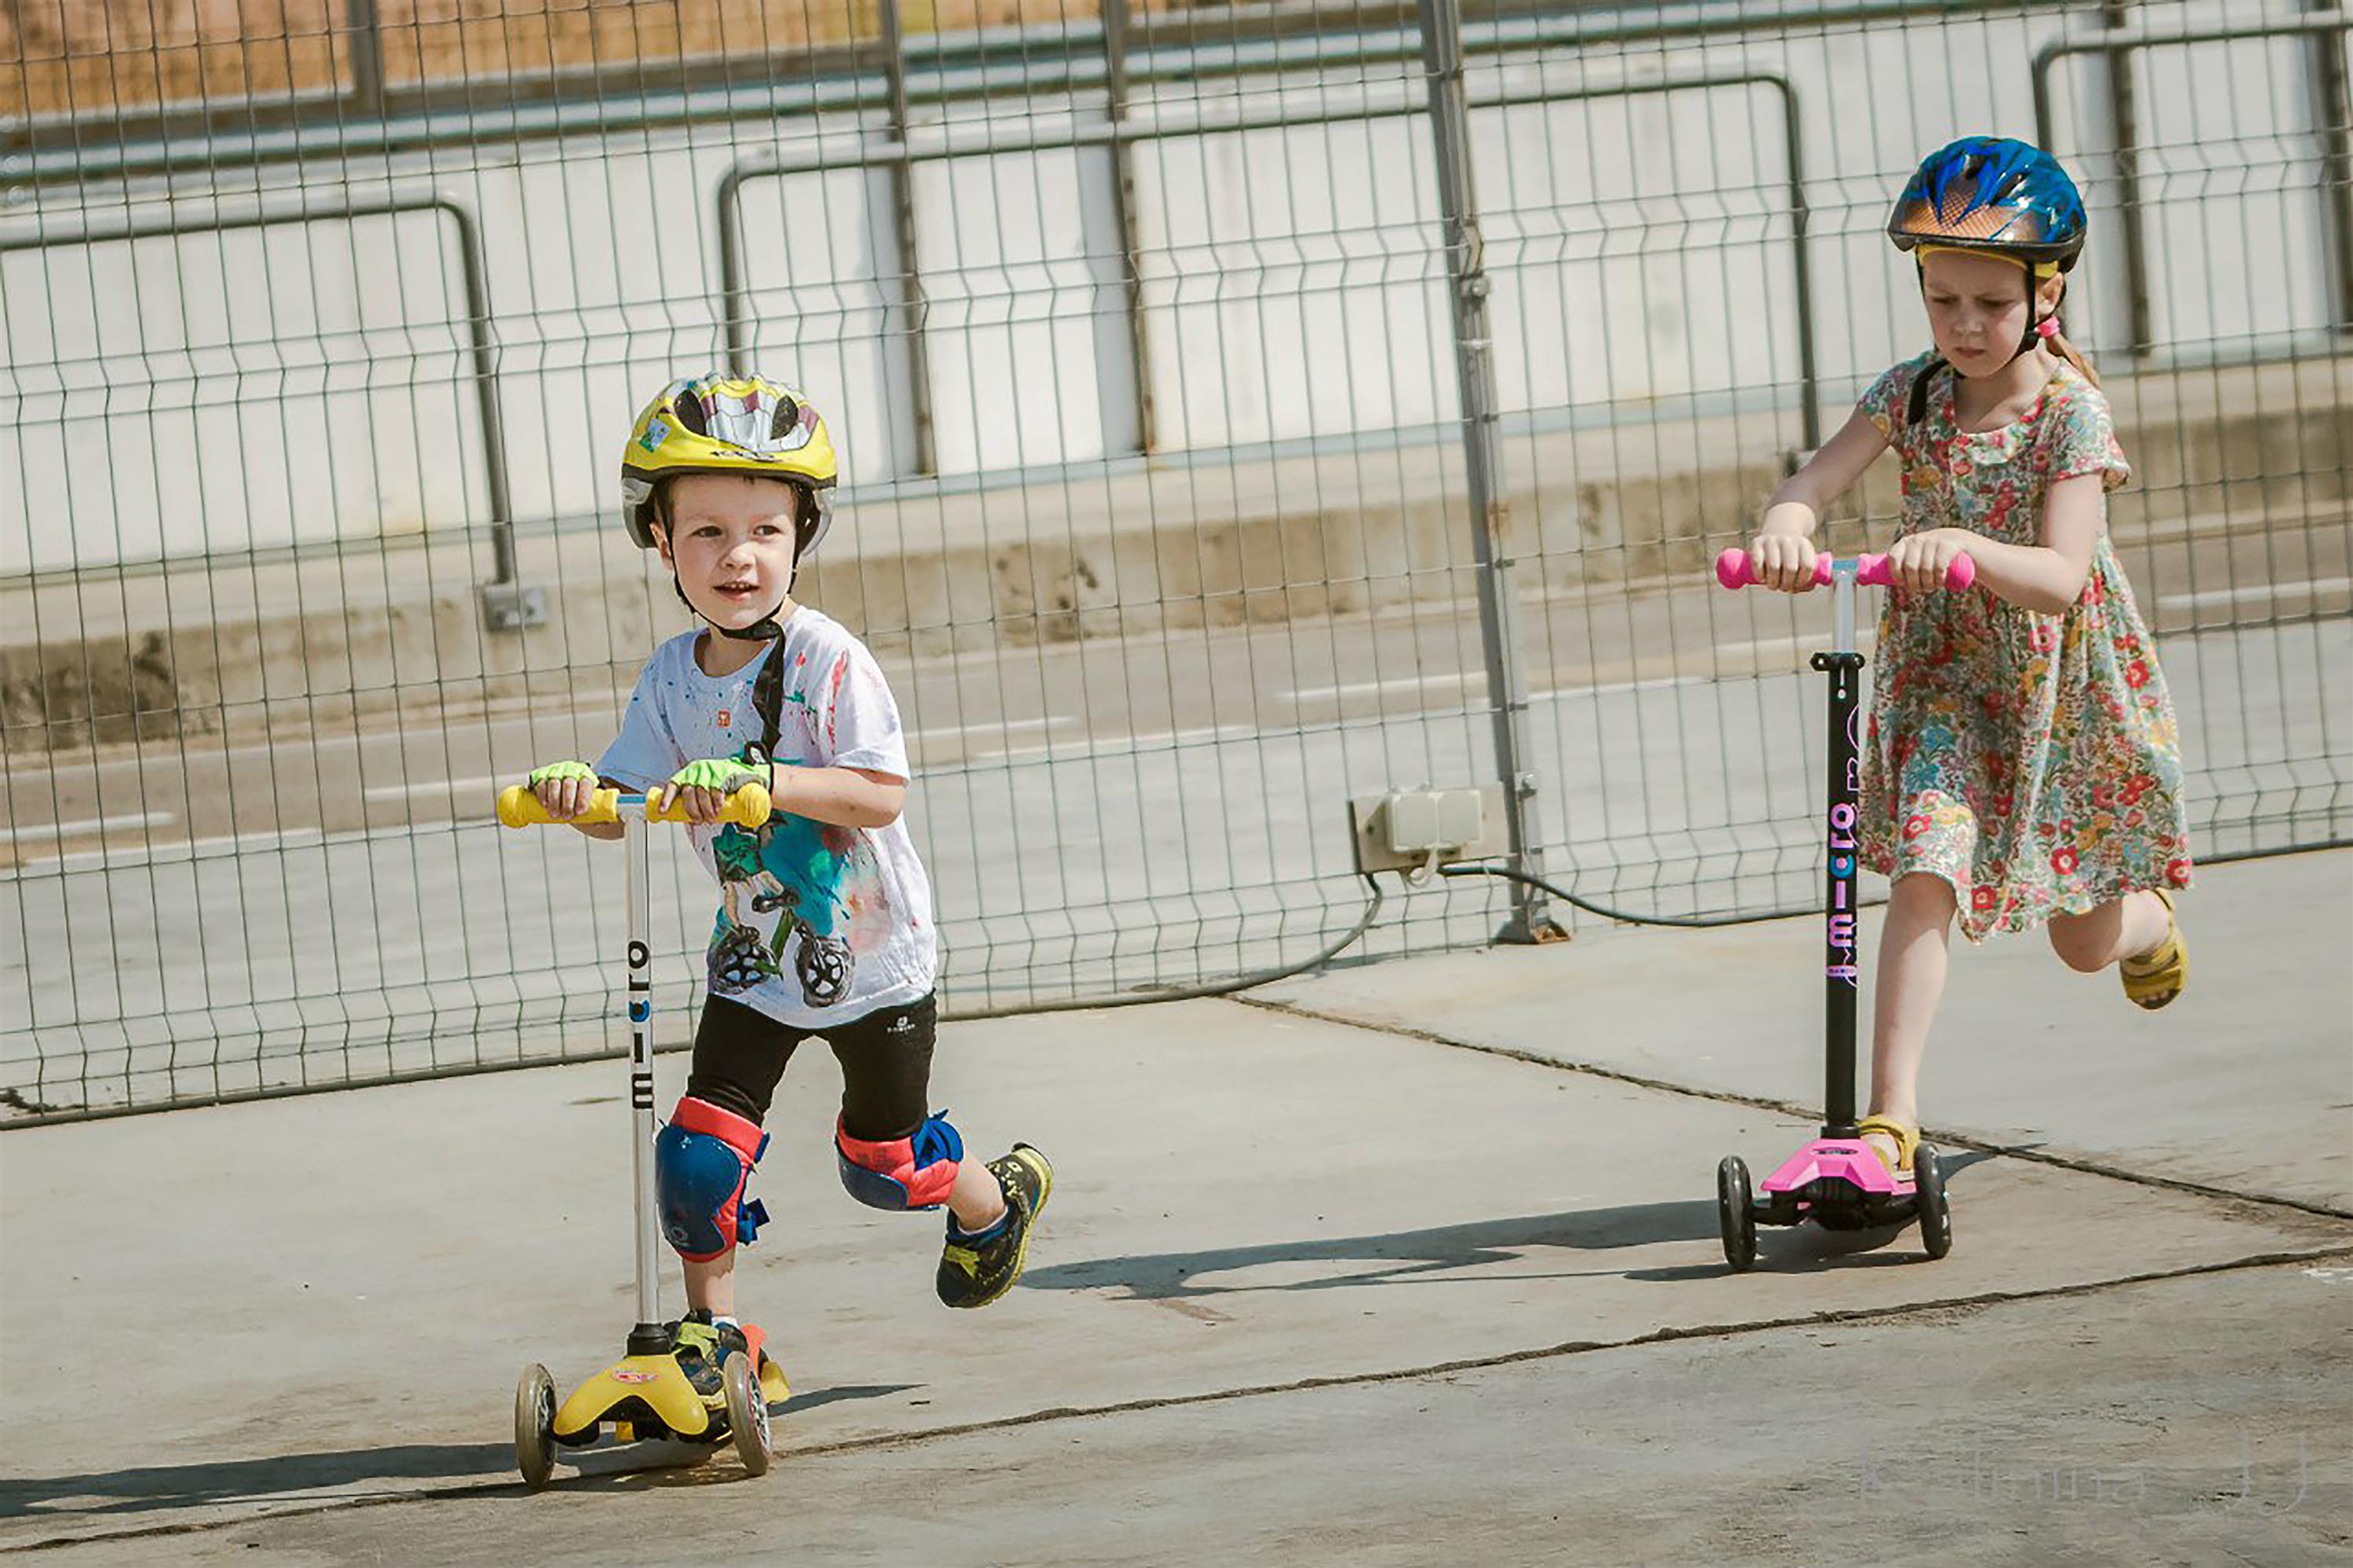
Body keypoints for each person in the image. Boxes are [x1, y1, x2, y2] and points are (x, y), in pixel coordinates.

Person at [526, 374, 1052, 1398]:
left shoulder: (827, 660)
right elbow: (623, 798)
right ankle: (712, 1338)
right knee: (696, 1161)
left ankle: (995, 1201)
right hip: (754, 965)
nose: (739, 556)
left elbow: (879, 793)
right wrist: (574, 794)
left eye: (766, 528)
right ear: (660, 542)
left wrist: (762, 782)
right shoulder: (673, 678)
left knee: (881, 1164)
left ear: (802, 536)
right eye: (708, 532)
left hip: (873, 959)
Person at [1744, 137, 2192, 1174]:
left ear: (2048, 293)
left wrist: (1970, 548)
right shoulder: (1914, 395)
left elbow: (2063, 578)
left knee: (2081, 940)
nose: (1964, 326)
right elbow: (1816, 478)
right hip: (1945, 682)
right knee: (1926, 875)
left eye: (1990, 304)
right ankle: (1888, 1121)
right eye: (1943, 301)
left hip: (2055, 700)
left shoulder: (2068, 415)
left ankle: (2147, 925)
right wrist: (1787, 523)